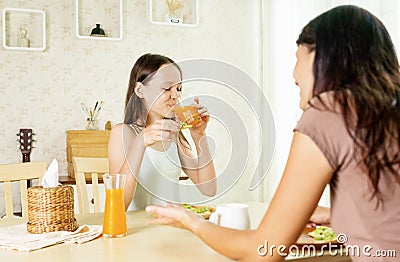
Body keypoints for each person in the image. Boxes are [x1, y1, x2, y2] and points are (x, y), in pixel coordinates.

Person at [145, 5, 400, 261]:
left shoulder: (328, 113)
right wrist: (336, 215)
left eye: (297, 56)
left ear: (323, 56)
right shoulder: (385, 110)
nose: (293, 73)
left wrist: (192, 223)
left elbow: (263, 252)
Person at [108, 53, 217, 210]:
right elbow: (118, 205)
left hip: (171, 227)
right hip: (138, 230)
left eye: (178, 88)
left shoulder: (173, 135)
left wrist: (199, 136)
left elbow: (208, 189)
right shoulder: (123, 133)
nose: (176, 96)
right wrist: (141, 142)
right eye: (167, 88)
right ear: (140, 90)